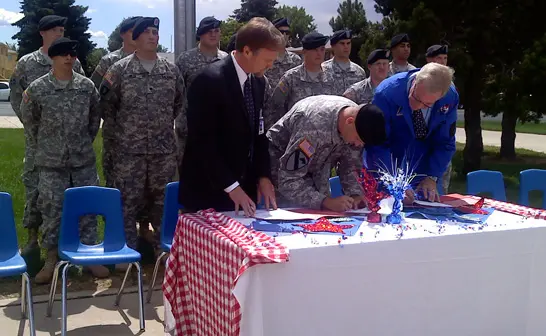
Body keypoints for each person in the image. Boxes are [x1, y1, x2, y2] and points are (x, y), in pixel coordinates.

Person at [20, 37, 108, 284]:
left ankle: (92, 258)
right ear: (53, 58)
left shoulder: (86, 87)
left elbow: (94, 120)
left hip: (82, 161)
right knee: (52, 210)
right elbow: (30, 122)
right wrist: (49, 146)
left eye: (72, 54)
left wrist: (80, 144)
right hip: (51, 163)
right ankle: (51, 259)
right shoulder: (37, 89)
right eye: (63, 54)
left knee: (87, 209)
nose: (69, 58)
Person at [179, 17, 284, 216]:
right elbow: (202, 143)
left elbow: (259, 134)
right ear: (247, 51)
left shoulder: (258, 83)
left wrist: (263, 175)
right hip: (209, 194)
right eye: (267, 60)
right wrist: (232, 187)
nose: (270, 66)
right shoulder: (209, 81)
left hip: (244, 194)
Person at [99, 17, 185, 261]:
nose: (152, 36)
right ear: (134, 39)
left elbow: (178, 103)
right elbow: (108, 107)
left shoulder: (171, 71)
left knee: (163, 206)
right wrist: (126, 135)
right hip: (129, 152)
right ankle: (126, 256)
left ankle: (165, 254)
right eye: (146, 32)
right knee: (127, 205)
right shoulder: (119, 69)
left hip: (163, 152)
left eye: (155, 31)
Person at [9, 14, 85, 255]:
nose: (58, 34)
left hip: (69, 146)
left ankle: (74, 243)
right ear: (42, 33)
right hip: (38, 143)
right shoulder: (26, 63)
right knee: (34, 191)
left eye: (61, 30)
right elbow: (16, 97)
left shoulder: (74, 61)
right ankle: (32, 241)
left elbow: (85, 101)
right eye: (54, 30)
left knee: (69, 192)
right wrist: (36, 129)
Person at [268, 95, 387, 212]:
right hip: (278, 176)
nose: (357, 145)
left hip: (315, 175)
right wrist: (325, 202)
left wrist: (355, 194)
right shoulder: (312, 127)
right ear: (349, 121)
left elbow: (350, 165)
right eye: (357, 139)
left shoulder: (356, 123)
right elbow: (288, 180)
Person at [365, 62, 459, 202]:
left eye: (427, 104)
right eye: (416, 96)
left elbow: (445, 142)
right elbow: (377, 142)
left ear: (440, 98)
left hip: (423, 166)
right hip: (387, 165)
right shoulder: (387, 94)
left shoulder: (450, 98)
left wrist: (432, 176)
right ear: (415, 81)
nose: (417, 106)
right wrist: (394, 182)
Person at [175, 16, 228, 164]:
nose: (213, 34)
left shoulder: (227, 60)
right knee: (188, 173)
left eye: (216, 31)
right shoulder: (185, 59)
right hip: (189, 130)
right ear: (200, 34)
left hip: (219, 130)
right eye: (208, 31)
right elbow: (176, 93)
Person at [264, 32, 335, 129]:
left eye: (322, 49)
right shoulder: (291, 78)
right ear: (304, 52)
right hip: (295, 138)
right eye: (314, 50)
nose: (319, 53)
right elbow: (273, 107)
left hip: (324, 137)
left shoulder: (331, 78)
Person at [426, 44, 451, 194]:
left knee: (442, 192)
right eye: (438, 59)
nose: (442, 62)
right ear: (429, 60)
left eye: (445, 58)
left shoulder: (450, 86)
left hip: (441, 146)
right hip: (423, 148)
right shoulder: (422, 82)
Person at [322, 30, 367, 95]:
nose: (346, 47)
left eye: (348, 43)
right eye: (342, 43)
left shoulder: (359, 72)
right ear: (333, 46)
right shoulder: (323, 70)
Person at [264, 17, 302, 88]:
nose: (284, 36)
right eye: (281, 32)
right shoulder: (264, 59)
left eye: (287, 33)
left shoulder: (295, 60)